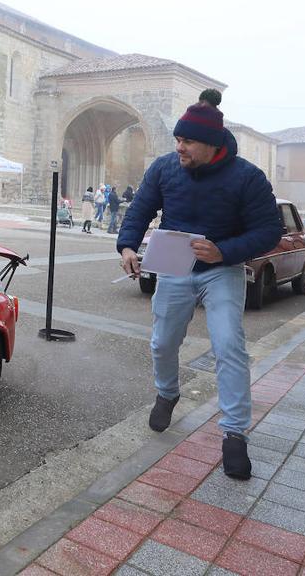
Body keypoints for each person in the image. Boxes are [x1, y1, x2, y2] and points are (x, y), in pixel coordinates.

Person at [117, 89, 283, 481]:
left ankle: (234, 434)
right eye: (177, 139)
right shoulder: (164, 168)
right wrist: (126, 245)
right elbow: (142, 207)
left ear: (211, 144)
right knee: (162, 342)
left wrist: (223, 251)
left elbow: (269, 230)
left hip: (221, 269)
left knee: (228, 345)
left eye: (187, 141)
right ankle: (168, 392)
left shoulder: (247, 177)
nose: (179, 147)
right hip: (174, 267)